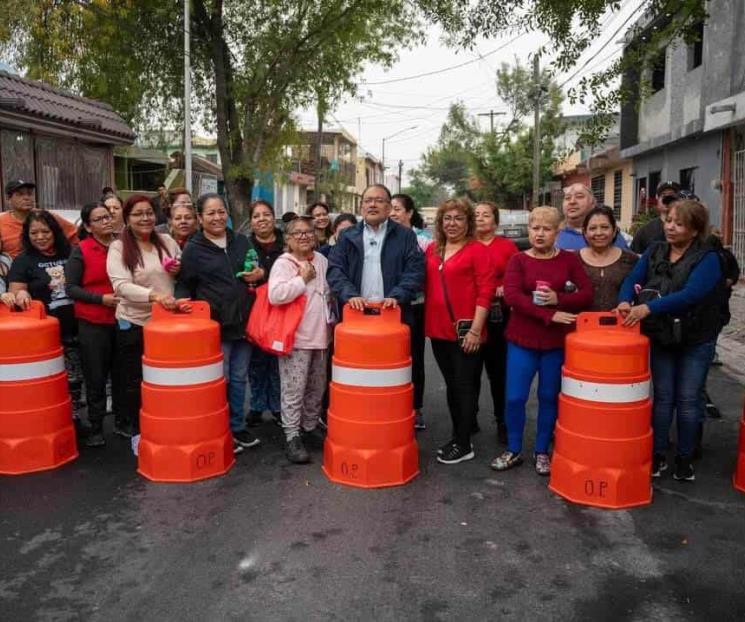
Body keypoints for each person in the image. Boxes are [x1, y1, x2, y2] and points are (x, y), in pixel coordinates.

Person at [617, 199, 723, 482]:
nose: (671, 227)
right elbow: (632, 279)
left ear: (694, 230)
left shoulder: (709, 258)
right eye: (669, 220)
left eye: (679, 223)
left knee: (688, 400)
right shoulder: (655, 250)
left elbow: (691, 295)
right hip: (662, 335)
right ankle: (658, 455)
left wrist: (648, 308)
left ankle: (685, 459)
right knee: (662, 398)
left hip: (695, 338)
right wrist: (625, 301)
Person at [491, 206, 593, 476]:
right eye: (535, 228)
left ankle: (541, 452)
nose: (539, 234)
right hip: (521, 339)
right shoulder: (518, 260)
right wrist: (549, 314)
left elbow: (586, 293)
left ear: (557, 232)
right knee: (514, 398)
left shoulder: (568, 260)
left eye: (547, 229)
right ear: (529, 230)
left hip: (554, 343)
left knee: (549, 397)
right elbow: (512, 296)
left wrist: (560, 299)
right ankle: (513, 449)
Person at [175, 193, 264, 453]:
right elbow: (184, 284)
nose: (217, 217)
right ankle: (218, 428)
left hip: (245, 323)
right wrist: (182, 307)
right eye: (211, 213)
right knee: (219, 379)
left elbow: (255, 268)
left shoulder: (241, 241)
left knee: (238, 379)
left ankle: (237, 427)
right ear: (200, 218)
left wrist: (259, 273)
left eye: (221, 211)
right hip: (215, 326)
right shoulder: (194, 248)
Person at [424, 198, 496, 464]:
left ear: (468, 223)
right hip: (439, 331)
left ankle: (464, 444)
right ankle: (458, 435)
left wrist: (476, 330)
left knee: (465, 387)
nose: (452, 224)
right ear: (440, 222)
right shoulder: (433, 249)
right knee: (453, 387)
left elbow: (485, 292)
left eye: (458, 218)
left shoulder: (477, 250)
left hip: (467, 332)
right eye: (447, 218)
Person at [106, 195, 182, 438]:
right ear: (127, 218)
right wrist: (154, 296)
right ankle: (139, 431)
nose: (145, 218)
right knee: (135, 380)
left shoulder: (168, 241)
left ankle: (165, 424)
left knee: (166, 378)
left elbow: (181, 275)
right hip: (134, 322)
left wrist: (179, 270)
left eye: (149, 212)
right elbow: (120, 286)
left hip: (167, 324)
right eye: (138, 214)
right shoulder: (119, 247)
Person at [1, 210, 84, 416]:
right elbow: (16, 291)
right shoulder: (23, 260)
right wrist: (20, 294)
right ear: (27, 236)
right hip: (48, 333)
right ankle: (67, 420)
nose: (40, 237)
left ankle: (85, 421)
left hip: (82, 325)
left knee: (82, 379)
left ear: (55, 231)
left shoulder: (72, 252)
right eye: (34, 233)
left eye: (45, 231)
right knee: (57, 380)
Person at [268, 217, 333, 463]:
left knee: (317, 387)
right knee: (294, 389)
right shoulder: (284, 263)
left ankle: (309, 426)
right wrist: (301, 279)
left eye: (308, 232)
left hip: (321, 336)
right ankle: (291, 435)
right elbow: (275, 295)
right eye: (297, 233)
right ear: (288, 239)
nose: (304, 237)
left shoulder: (323, 260)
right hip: (296, 338)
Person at [65, 202, 121, 447]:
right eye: (99, 219)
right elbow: (71, 288)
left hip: (123, 320)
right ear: (88, 226)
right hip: (93, 322)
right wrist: (100, 299)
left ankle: (123, 421)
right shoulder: (82, 250)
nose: (106, 221)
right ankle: (96, 427)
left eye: (107, 216)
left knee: (122, 375)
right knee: (96, 376)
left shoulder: (122, 246)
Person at [327, 184, 424, 323]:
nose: (372, 205)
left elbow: (415, 271)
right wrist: (350, 296)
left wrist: (397, 296)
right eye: (367, 201)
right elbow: (335, 270)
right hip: (356, 313)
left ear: (389, 208)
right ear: (361, 208)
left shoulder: (405, 236)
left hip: (393, 313)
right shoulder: (347, 236)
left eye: (379, 200)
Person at [473, 201, 519, 444]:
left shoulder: (507, 246)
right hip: (470, 314)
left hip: (499, 315)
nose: (480, 218)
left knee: (498, 371)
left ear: (495, 220)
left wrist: (504, 288)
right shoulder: (466, 246)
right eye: (476, 214)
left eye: (486, 215)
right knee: (470, 370)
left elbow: (517, 277)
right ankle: (469, 418)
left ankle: (502, 419)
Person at [389, 194, 433, 430]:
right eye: (391, 208)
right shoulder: (384, 235)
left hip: (415, 307)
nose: (393, 213)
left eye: (397, 209)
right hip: (388, 308)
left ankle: (416, 408)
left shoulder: (423, 239)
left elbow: (427, 275)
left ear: (409, 212)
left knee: (414, 358)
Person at [246, 200, 283, 428]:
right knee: (257, 361)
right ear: (251, 222)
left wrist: (266, 273)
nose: (262, 219)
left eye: (266, 214)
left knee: (279, 361)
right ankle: (257, 406)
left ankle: (279, 407)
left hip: (282, 310)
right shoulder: (244, 245)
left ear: (273, 217)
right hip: (255, 310)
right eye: (256, 216)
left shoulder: (286, 243)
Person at [578, 206, 638, 311]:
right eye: (592, 228)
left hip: (621, 324)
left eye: (605, 227)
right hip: (581, 324)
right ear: (585, 232)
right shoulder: (573, 260)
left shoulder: (631, 260)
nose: (599, 233)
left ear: (614, 230)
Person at [0, 179, 79, 259]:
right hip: (14, 268)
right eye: (20, 194)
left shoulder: (47, 217)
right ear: (8, 199)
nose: (27, 198)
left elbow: (77, 237)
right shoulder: (2, 222)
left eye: (30, 194)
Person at [556, 183, 628, 250]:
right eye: (567, 198)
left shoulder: (610, 236)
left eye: (579, 197)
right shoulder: (552, 234)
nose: (572, 201)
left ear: (593, 203)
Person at [631, 181, 680, 254]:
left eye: (671, 196)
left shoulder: (687, 229)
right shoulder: (645, 231)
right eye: (663, 195)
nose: (667, 199)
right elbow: (634, 257)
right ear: (658, 198)